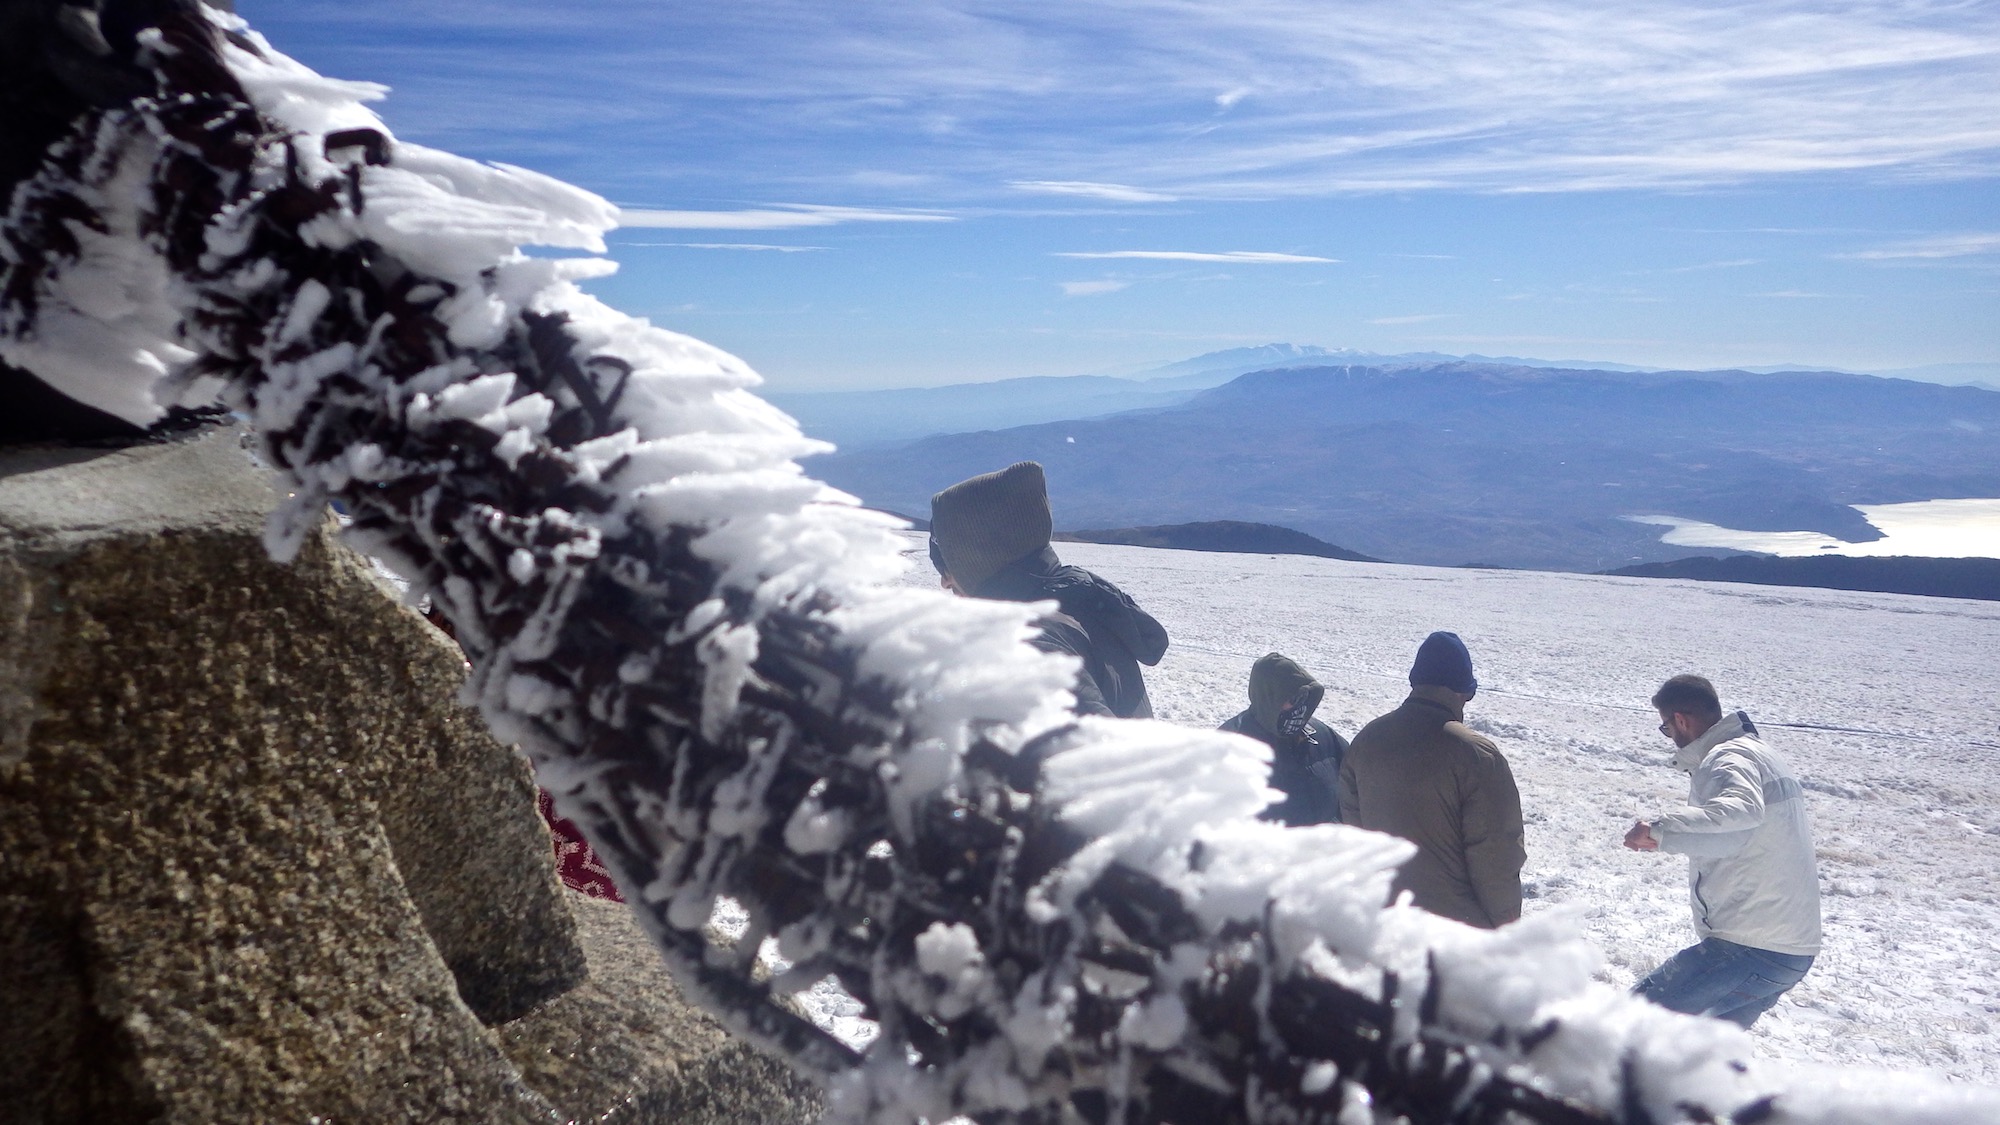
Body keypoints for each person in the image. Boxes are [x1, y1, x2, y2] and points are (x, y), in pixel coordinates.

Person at [1624, 674, 1821, 1028]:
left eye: (1666, 728)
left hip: (1750, 946)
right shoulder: (1761, 754)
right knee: (1703, 1058)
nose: (1670, 738)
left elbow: (1739, 815)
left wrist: (1659, 832)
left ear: (1680, 720)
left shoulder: (1727, 758)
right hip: (1789, 950)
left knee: (1633, 1023)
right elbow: (1739, 832)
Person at [929, 461, 1168, 718]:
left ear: (979, 560)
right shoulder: (1081, 599)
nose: (944, 582)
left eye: (947, 566)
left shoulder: (1028, 643)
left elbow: (1097, 752)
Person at [1338, 631, 1524, 929]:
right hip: (1457, 931)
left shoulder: (1367, 740)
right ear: (1464, 690)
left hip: (1387, 920)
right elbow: (1495, 853)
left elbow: (1355, 829)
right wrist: (1506, 921)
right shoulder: (1476, 755)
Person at [1219, 652, 1348, 825]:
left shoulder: (1322, 736)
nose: (1300, 708)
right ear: (1269, 698)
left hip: (1326, 848)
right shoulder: (1230, 746)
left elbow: (1354, 788)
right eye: (1293, 699)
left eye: (1305, 698)